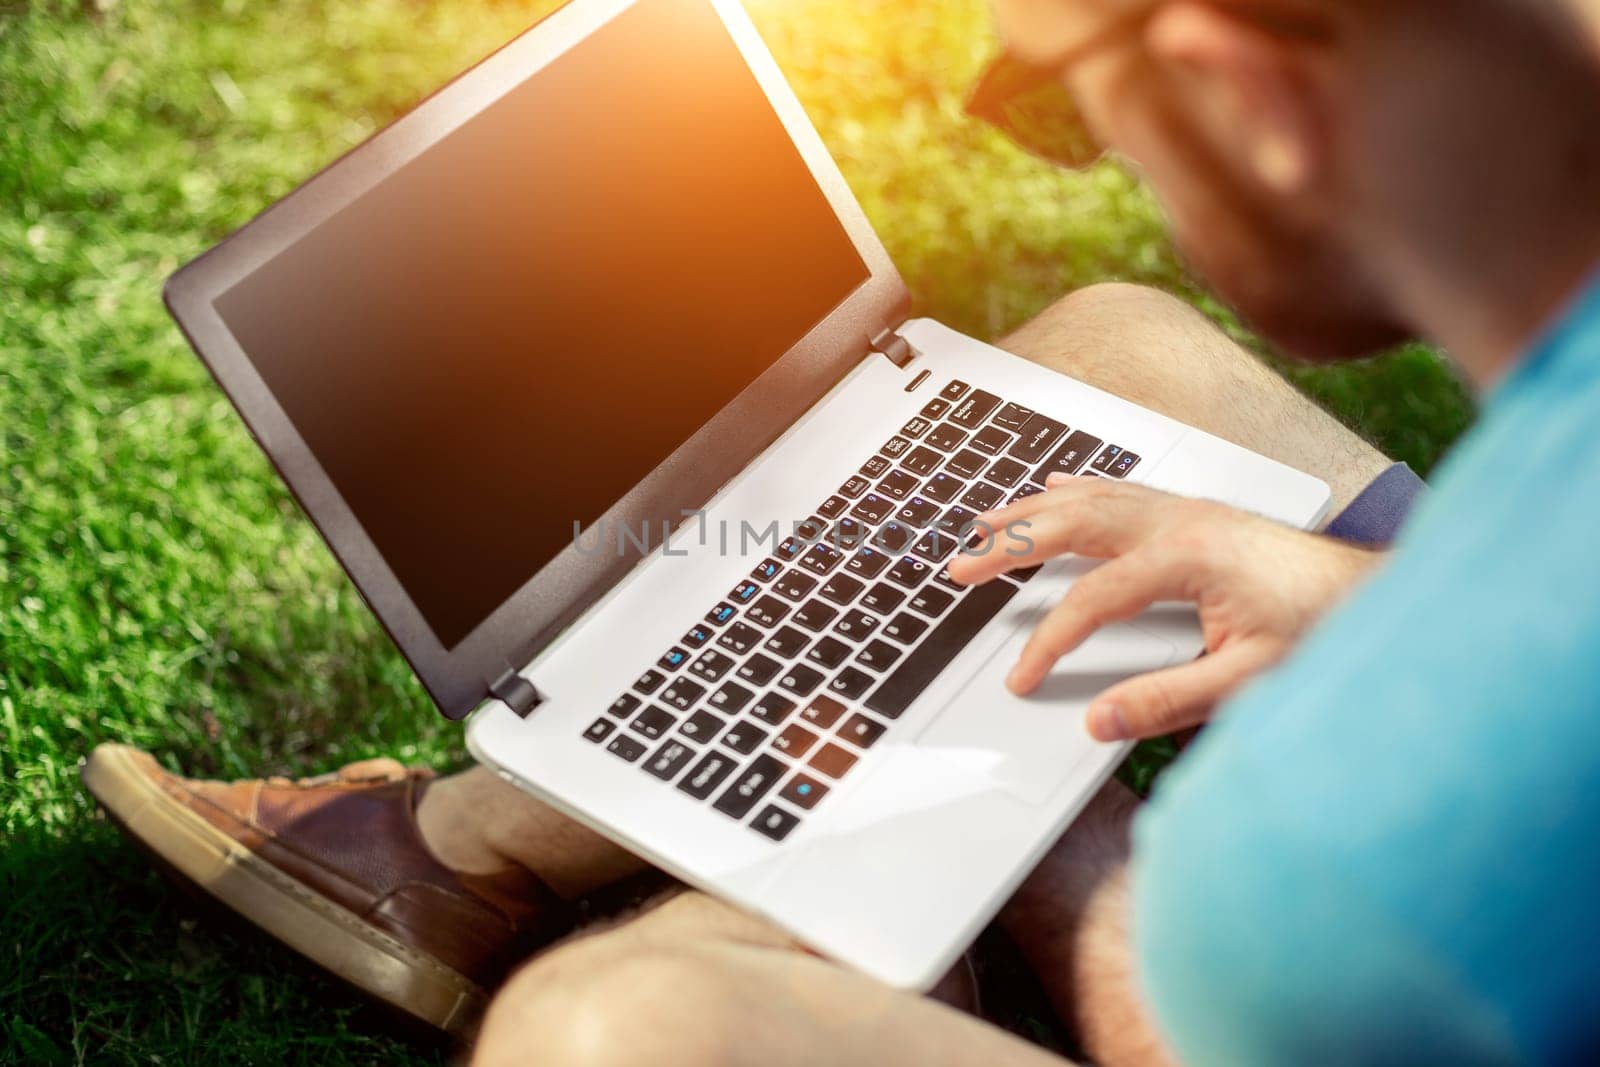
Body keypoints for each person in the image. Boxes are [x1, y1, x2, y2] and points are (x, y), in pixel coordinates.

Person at [84, 0, 1600, 1063]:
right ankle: (461, 847)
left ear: (1242, 93)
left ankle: (460, 857)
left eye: (1063, 108)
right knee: (1123, 348)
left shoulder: (1425, 842)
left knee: (603, 1035)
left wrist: (1014, 808)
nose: (1086, 150)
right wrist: (1341, 595)